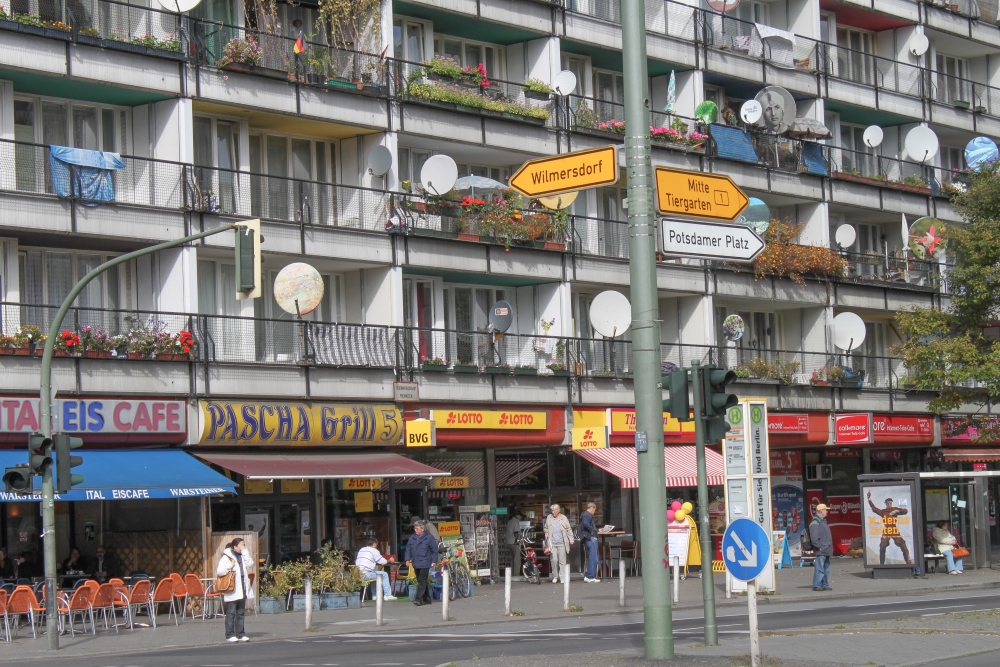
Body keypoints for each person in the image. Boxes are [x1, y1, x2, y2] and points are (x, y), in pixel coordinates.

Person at [217, 537, 254, 643]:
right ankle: (229, 634)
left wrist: (245, 552)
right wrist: (230, 565)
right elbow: (219, 571)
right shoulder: (227, 557)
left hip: (243, 588)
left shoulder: (242, 556)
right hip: (233, 589)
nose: (244, 547)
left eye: (244, 545)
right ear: (235, 547)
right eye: (242, 545)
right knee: (231, 612)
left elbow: (250, 564)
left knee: (241, 612)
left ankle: (241, 634)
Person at [867, 492, 912, 565]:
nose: (889, 505)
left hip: (894, 530)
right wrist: (869, 499)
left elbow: (905, 511)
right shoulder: (883, 512)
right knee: (882, 546)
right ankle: (882, 565)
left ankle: (908, 562)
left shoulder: (895, 509)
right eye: (887, 503)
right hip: (887, 530)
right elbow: (874, 509)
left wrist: (897, 511)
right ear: (885, 504)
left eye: (890, 503)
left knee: (903, 544)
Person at [404, 520, 438, 606]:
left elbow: (434, 550)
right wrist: (407, 559)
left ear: (422, 529)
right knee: (421, 581)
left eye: (417, 528)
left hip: (425, 562)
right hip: (416, 562)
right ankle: (427, 599)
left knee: (422, 580)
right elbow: (408, 549)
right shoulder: (412, 537)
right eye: (414, 528)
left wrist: (434, 561)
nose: (415, 530)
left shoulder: (429, 537)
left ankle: (418, 599)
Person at [543, 504, 574, 584]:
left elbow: (568, 529)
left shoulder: (563, 518)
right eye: (552, 511)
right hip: (552, 543)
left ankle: (562, 577)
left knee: (562, 561)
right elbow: (545, 527)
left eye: (554, 510)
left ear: (558, 510)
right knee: (554, 560)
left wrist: (571, 539)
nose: (552, 512)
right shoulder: (549, 518)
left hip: (562, 543)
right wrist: (546, 532)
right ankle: (555, 576)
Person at [809, 503, 833, 591]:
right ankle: (817, 585)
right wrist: (820, 547)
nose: (827, 511)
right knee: (820, 568)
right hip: (822, 549)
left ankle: (825, 584)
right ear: (821, 511)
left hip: (825, 549)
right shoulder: (816, 522)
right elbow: (814, 538)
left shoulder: (822, 521)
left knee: (826, 568)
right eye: (825, 510)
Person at [580, 503, 600, 583]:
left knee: (592, 557)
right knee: (593, 558)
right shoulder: (588, 515)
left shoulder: (583, 514)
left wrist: (597, 530)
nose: (594, 512)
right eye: (594, 510)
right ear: (592, 508)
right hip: (591, 538)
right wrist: (593, 530)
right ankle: (590, 576)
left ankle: (588, 575)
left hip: (586, 538)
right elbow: (586, 524)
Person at [505, 511, 523, 577]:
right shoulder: (516, 522)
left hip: (509, 542)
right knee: (517, 560)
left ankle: (511, 574)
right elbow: (516, 532)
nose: (521, 518)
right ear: (517, 515)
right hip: (514, 543)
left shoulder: (509, 521)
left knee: (512, 560)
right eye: (520, 516)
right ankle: (516, 575)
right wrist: (518, 541)